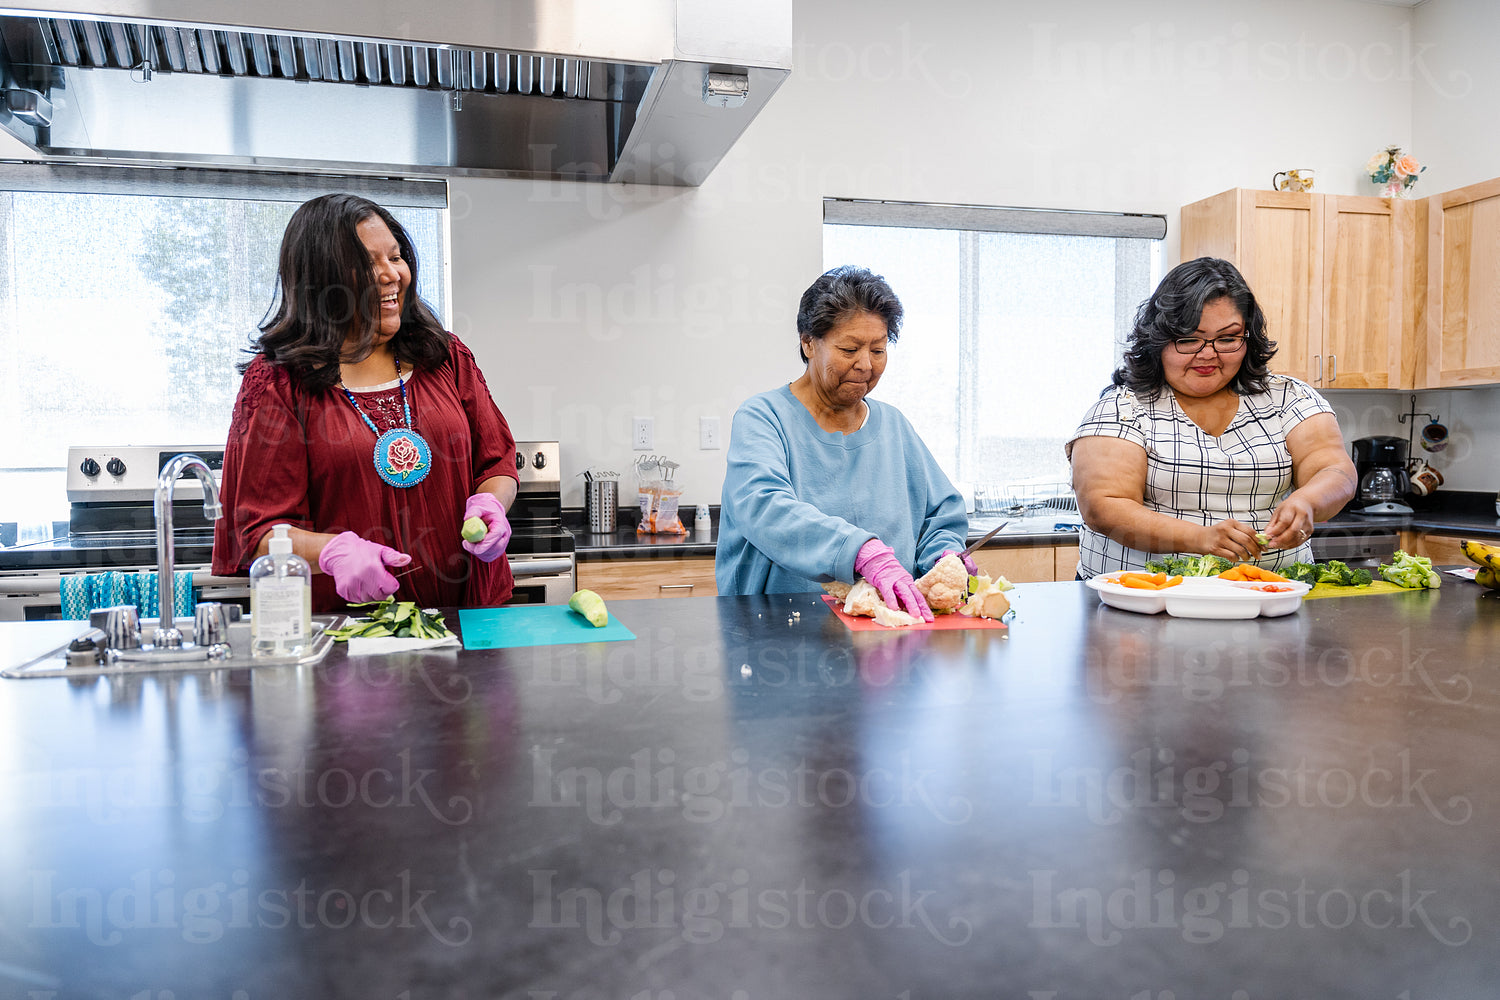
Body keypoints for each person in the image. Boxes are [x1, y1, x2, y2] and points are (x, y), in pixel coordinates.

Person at [212, 193, 518, 612]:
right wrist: (332, 553)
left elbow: (495, 463)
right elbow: (258, 532)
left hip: (469, 619)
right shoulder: (278, 384)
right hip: (348, 638)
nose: (392, 275)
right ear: (322, 281)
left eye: (395, 257)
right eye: (368, 265)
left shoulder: (445, 356)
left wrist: (492, 504)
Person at [1066, 256, 1357, 578]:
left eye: (1227, 339)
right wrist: (1200, 538)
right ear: (1158, 341)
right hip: (1140, 601)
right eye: (1188, 339)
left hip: (1268, 596)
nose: (1208, 353)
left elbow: (1335, 469)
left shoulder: (1289, 397)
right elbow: (1104, 506)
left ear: (1248, 338)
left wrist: (1308, 501)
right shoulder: (1123, 407)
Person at [714, 266, 971, 621]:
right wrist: (860, 553)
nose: (865, 365)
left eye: (878, 350)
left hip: (886, 634)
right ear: (808, 342)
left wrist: (943, 556)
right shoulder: (763, 417)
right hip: (779, 635)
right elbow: (764, 506)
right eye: (849, 348)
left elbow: (939, 514)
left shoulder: (893, 425)